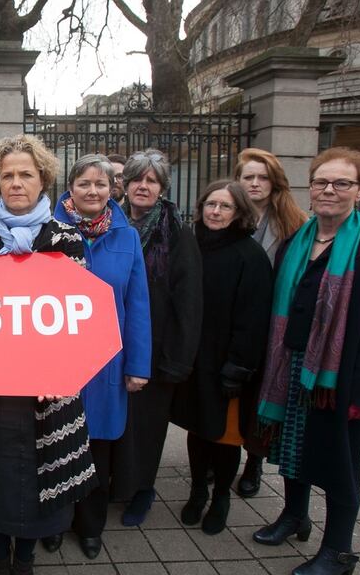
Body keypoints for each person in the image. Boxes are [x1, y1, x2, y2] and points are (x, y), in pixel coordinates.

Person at [252, 148, 360, 575]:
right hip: (290, 367)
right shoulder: (297, 243)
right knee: (292, 451)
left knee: (341, 466)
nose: (328, 190)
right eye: (321, 181)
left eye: (341, 183)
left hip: (336, 380)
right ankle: (294, 516)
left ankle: (338, 550)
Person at [0, 134, 98, 575]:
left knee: (40, 480)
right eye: (8, 175)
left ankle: (27, 557)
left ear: (43, 180)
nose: (16, 183)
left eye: (26, 175)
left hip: (48, 395)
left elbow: (80, 319)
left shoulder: (65, 238)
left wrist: (63, 372)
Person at [44, 153, 151, 558]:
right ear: (70, 187)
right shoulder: (48, 231)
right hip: (59, 363)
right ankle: (54, 521)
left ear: (113, 189)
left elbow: (138, 304)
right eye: (84, 183)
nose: (92, 191)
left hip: (108, 363)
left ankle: (91, 526)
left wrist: (139, 365)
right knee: (55, 447)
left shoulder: (127, 237)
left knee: (97, 450)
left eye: (101, 184)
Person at [170, 180, 272, 535]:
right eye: (211, 204)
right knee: (198, 430)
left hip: (229, 366)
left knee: (225, 437)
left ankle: (221, 498)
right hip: (195, 360)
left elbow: (255, 318)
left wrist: (239, 367)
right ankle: (198, 490)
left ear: (239, 212)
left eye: (225, 206)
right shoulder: (189, 246)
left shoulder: (250, 255)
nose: (215, 212)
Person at [114, 148, 203, 527]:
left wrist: (176, 360)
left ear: (163, 187)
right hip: (113, 347)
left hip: (155, 349)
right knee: (119, 426)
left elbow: (188, 300)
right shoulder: (112, 222)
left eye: (151, 180)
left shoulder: (177, 233)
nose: (142, 186)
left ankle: (142, 490)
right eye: (136, 178)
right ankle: (116, 485)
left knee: (147, 428)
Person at [232, 147, 308, 497]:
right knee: (234, 396)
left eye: (263, 177)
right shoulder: (226, 217)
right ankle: (225, 457)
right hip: (236, 325)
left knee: (263, 394)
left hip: (275, 327)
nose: (255, 183)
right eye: (248, 177)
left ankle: (254, 461)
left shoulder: (296, 225)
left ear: (275, 182)